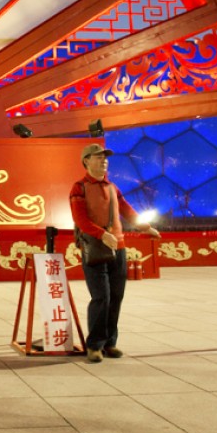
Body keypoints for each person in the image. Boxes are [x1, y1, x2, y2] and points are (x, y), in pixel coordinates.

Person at [69, 143, 160, 363]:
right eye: (98, 157)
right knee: (102, 297)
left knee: (116, 298)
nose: (103, 160)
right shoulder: (79, 188)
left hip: (118, 249)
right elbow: (80, 220)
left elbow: (127, 210)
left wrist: (146, 228)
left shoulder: (112, 187)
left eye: (105, 157)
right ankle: (94, 345)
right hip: (95, 249)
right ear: (86, 161)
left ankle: (111, 343)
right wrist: (101, 234)